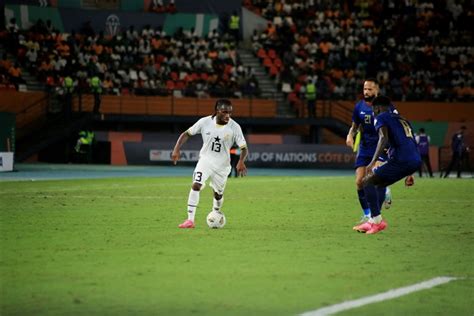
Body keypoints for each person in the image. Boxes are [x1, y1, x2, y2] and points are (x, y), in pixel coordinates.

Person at [172, 99, 248, 228]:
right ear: (217, 111)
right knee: (196, 185)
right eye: (225, 112)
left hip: (223, 166)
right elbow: (186, 134)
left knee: (218, 194)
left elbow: (244, 148)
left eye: (230, 112)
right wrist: (176, 148)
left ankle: (216, 211)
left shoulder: (235, 127)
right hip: (205, 161)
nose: (228, 115)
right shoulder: (204, 122)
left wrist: (241, 161)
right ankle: (190, 220)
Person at [353, 96, 421, 234]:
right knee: (379, 184)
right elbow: (411, 143)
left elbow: (383, 138)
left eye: (373, 109)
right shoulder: (402, 119)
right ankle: (372, 220)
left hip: (402, 160)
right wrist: (411, 173)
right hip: (414, 160)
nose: (373, 112)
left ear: (377, 108)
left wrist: (372, 162)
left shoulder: (382, 117)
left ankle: (377, 222)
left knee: (366, 181)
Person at [346, 78, 391, 223]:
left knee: (375, 179)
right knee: (359, 181)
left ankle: (375, 215)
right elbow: (354, 126)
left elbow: (394, 122)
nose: (366, 92)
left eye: (370, 89)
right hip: (365, 148)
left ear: (376, 90)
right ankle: (366, 214)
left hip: (381, 146)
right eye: (365, 89)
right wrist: (350, 135)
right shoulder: (359, 107)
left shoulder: (385, 106)